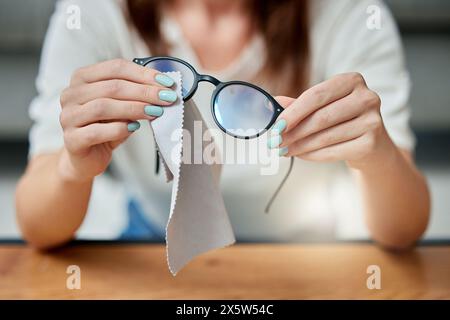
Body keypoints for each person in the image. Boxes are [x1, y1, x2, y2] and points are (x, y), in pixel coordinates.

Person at [15, 0, 430, 249]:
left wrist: (379, 158)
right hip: (150, 236)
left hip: (304, 244)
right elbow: (36, 227)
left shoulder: (350, 13)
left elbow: (403, 232)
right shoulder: (92, 12)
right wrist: (73, 169)